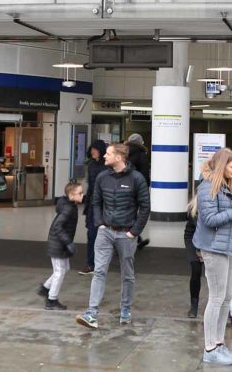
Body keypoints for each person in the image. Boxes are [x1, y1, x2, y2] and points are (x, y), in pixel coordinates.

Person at [192, 148, 232, 365]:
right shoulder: (207, 187)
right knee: (217, 298)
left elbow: (225, 219)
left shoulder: (228, 185)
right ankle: (210, 349)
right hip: (213, 249)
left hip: (228, 247)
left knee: (227, 297)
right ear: (221, 166)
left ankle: (219, 343)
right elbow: (210, 219)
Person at [76, 143, 150, 329]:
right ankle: (92, 312)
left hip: (126, 233)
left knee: (127, 274)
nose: (104, 156)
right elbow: (96, 202)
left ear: (119, 157)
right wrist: (100, 224)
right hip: (105, 232)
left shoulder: (136, 179)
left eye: (108, 154)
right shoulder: (103, 177)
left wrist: (133, 232)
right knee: (99, 271)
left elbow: (145, 207)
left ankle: (125, 308)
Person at [39, 180, 83, 310]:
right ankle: (51, 300)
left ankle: (46, 288)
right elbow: (57, 226)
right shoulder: (68, 209)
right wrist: (68, 242)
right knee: (59, 271)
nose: (82, 195)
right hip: (58, 243)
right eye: (79, 193)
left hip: (61, 243)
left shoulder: (70, 205)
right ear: (71, 195)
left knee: (65, 269)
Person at [79, 139, 107, 275]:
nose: (92, 152)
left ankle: (100, 262)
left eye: (95, 150)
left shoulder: (108, 166)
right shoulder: (90, 165)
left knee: (103, 236)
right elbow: (90, 186)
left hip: (104, 204)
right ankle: (91, 263)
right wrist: (86, 205)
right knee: (91, 234)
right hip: (92, 204)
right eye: (92, 150)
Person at [126, 132, 152, 250]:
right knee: (133, 214)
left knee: (127, 212)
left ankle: (137, 238)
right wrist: (145, 187)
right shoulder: (142, 154)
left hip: (123, 187)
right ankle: (133, 238)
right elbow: (144, 174)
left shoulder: (124, 153)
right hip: (136, 189)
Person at [184, 192, 203, 318]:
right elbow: (193, 230)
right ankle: (194, 306)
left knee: (214, 274)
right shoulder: (194, 206)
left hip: (212, 241)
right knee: (196, 271)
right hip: (193, 239)